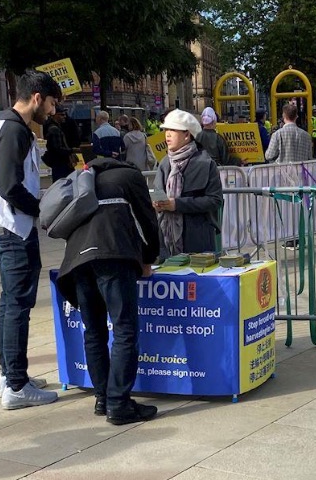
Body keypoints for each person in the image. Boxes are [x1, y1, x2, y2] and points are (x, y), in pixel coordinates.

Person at [55, 158, 161, 424]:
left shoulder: (83, 177)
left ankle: (103, 398)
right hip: (113, 253)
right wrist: (149, 257)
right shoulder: (129, 176)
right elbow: (147, 218)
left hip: (77, 261)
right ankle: (119, 404)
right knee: (124, 329)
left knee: (94, 332)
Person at [0, 70, 62, 409]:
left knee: (10, 304)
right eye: (53, 103)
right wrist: (42, 209)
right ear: (38, 98)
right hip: (15, 228)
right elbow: (10, 187)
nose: (53, 112)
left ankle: (9, 375)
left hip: (9, 226)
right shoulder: (14, 130)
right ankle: (16, 384)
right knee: (17, 307)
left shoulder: (3, 125)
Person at [153, 110, 223, 258]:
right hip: (166, 242)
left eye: (173, 130)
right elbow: (157, 190)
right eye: (166, 130)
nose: (167, 134)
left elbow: (215, 200)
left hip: (197, 240)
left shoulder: (205, 163)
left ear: (187, 134)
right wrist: (156, 203)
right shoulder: (164, 163)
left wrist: (178, 204)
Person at [44, 104, 75, 181]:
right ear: (55, 115)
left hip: (58, 164)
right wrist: (72, 150)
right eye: (62, 115)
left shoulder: (55, 127)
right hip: (60, 164)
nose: (64, 117)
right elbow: (58, 148)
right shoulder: (54, 129)